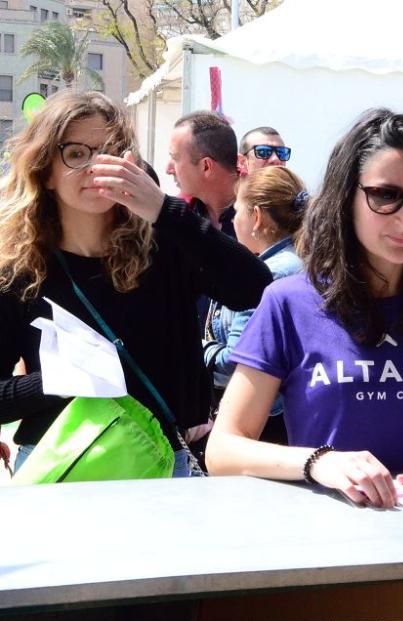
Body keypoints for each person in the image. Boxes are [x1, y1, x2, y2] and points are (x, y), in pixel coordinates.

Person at [206, 109, 403, 507]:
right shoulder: (288, 303)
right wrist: (319, 463)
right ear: (347, 197)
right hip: (329, 549)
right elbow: (222, 449)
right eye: (386, 195)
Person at [0, 90, 272, 477]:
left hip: (158, 463)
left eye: (109, 151)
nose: (96, 167)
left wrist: (163, 209)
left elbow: (254, 287)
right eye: (76, 154)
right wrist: (62, 380)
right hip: (60, 467)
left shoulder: (163, 246)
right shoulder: (20, 268)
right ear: (45, 172)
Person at [203, 167, 307, 445]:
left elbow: (237, 361)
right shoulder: (305, 263)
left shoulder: (268, 275)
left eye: (237, 211)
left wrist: (202, 350)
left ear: (257, 217)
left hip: (263, 425)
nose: (233, 220)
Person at [166, 111, 239, 235]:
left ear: (206, 166)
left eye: (175, 158)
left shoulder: (262, 220)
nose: (168, 169)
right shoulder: (179, 218)